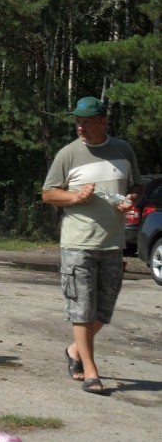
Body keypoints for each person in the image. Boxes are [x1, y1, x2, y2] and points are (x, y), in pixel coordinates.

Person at [41, 96, 143, 395]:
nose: (80, 127)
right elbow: (48, 194)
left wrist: (132, 199)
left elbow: (137, 185)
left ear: (103, 122)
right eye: (77, 121)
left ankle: (74, 351)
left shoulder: (122, 150)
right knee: (82, 309)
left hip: (113, 243)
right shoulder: (68, 154)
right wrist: (75, 198)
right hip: (78, 243)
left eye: (86, 121)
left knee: (104, 310)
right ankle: (91, 370)